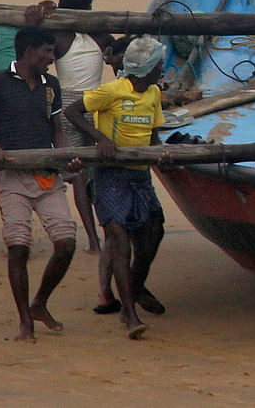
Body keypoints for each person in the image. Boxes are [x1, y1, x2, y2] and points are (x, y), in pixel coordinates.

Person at [0, 27, 80, 342]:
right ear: (29, 51)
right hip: (12, 177)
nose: (51, 58)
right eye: (47, 52)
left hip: (47, 174)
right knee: (18, 247)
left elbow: (56, 128)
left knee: (66, 243)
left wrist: (65, 159)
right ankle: (25, 321)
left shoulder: (52, 86)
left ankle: (40, 303)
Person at [68, 37, 169, 340]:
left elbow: (152, 134)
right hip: (111, 175)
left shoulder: (153, 93)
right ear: (147, 68)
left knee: (154, 234)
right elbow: (72, 112)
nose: (162, 69)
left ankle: (134, 291)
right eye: (159, 65)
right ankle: (130, 314)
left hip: (140, 175)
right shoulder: (112, 91)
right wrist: (100, 138)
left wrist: (161, 154)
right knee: (119, 239)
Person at [47, 0, 118, 311]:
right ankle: (92, 235)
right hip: (74, 100)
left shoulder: (96, 33)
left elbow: (117, 54)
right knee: (77, 171)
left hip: (96, 99)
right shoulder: (65, 35)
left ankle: (95, 233)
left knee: (89, 168)